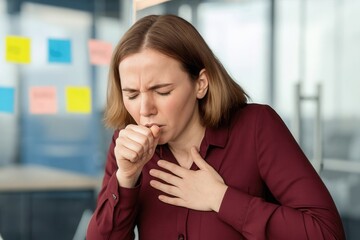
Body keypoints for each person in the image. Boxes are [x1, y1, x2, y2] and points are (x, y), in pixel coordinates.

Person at [86, 14, 345, 240]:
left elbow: (326, 233)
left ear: (200, 84)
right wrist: (126, 178)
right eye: (131, 95)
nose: (144, 110)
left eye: (162, 91)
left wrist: (221, 198)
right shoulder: (125, 147)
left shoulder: (256, 127)